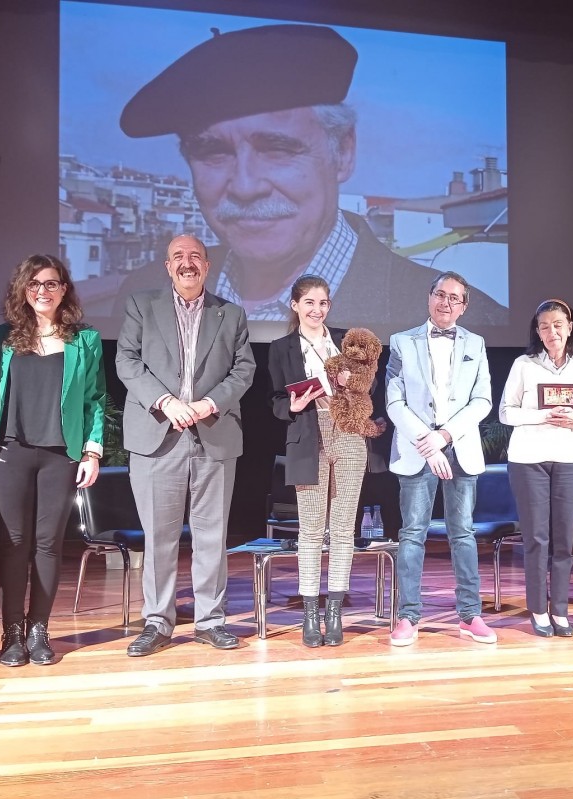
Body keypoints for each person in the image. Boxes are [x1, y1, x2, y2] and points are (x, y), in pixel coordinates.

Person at [113, 23, 506, 327]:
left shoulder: (459, 314)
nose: (246, 185)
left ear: (343, 152)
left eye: (278, 148)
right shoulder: (146, 293)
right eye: (213, 152)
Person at [115, 234, 256, 656]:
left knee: (212, 535)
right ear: (167, 265)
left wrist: (211, 402)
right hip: (159, 434)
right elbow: (127, 359)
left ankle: (210, 621)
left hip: (214, 433)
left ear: (208, 266)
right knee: (159, 537)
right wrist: (166, 402)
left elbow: (244, 368)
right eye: (179, 256)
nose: (187, 262)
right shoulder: (143, 305)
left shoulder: (230, 313)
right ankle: (157, 622)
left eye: (195, 256)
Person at [0, 255, 106, 666]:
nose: (42, 291)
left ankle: (39, 629)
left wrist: (92, 451)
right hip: (10, 450)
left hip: (61, 453)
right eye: (34, 283)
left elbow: (95, 400)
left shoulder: (84, 339)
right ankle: (11, 632)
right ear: (23, 289)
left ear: (64, 289)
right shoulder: (5, 336)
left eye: (51, 283)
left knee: (48, 545)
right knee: (13, 544)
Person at [267, 275, 386, 647]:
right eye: (309, 303)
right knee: (311, 529)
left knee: (344, 527)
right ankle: (310, 612)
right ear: (295, 306)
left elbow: (373, 384)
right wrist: (292, 405)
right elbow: (274, 400)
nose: (316, 310)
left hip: (348, 433)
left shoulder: (345, 342)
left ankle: (334, 609)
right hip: (308, 434)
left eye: (322, 303)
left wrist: (356, 381)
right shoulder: (281, 347)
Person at [385, 271, 494, 645]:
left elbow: (482, 400)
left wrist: (445, 436)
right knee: (412, 533)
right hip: (417, 449)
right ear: (429, 297)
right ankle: (407, 618)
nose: (445, 303)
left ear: (463, 307)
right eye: (440, 295)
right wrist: (426, 440)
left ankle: (469, 615)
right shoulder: (401, 342)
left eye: (454, 298)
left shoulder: (475, 344)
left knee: (462, 532)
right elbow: (393, 400)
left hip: (459, 446)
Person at [499, 299, 573, 637]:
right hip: (529, 459)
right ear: (537, 332)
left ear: (570, 327)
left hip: (571, 459)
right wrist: (544, 415)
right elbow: (506, 412)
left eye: (557, 324)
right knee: (536, 539)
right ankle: (538, 610)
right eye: (544, 326)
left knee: (564, 541)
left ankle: (561, 610)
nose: (551, 331)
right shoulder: (523, 365)